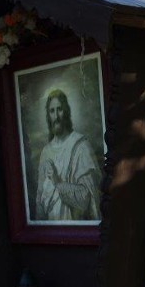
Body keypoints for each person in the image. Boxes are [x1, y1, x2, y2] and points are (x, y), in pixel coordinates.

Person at [35, 89, 101, 221]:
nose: (56, 116)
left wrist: (57, 182)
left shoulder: (81, 146)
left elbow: (86, 199)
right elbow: (40, 199)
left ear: (66, 111)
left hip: (75, 227)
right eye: (52, 111)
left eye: (59, 109)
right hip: (51, 228)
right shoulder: (45, 152)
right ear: (48, 115)